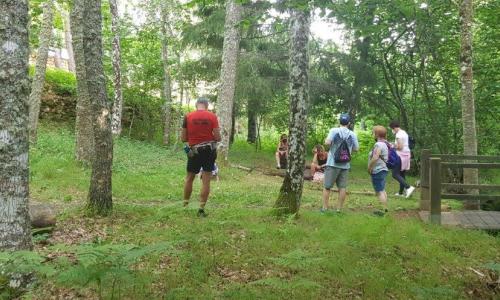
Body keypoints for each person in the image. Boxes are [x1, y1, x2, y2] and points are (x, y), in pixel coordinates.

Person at [182, 97, 221, 217]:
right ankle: (201, 209)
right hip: (209, 151)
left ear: (196, 105)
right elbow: (218, 137)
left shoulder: (188, 116)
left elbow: (183, 138)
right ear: (206, 105)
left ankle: (185, 205)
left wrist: (193, 138)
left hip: (194, 151)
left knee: (189, 178)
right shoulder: (212, 116)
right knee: (206, 180)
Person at [322, 114, 359, 212]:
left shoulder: (334, 130)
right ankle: (339, 209)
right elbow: (356, 148)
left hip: (332, 163)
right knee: (342, 188)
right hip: (345, 164)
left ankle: (325, 208)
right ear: (349, 123)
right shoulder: (352, 134)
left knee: (327, 187)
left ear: (339, 122)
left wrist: (328, 141)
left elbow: (327, 143)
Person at [389, 120, 415, 198]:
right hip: (406, 154)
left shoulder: (398, 135)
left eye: (391, 129)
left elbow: (400, 147)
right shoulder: (404, 132)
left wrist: (392, 146)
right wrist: (394, 144)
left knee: (395, 174)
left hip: (400, 155)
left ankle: (408, 187)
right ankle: (401, 193)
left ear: (394, 128)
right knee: (402, 174)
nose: (392, 131)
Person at [368, 126, 390, 216]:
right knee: (382, 189)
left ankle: (383, 210)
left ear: (377, 134)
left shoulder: (378, 145)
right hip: (383, 169)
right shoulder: (384, 144)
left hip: (378, 170)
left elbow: (375, 157)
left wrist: (370, 167)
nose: (372, 134)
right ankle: (385, 208)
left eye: (373, 132)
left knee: (379, 191)